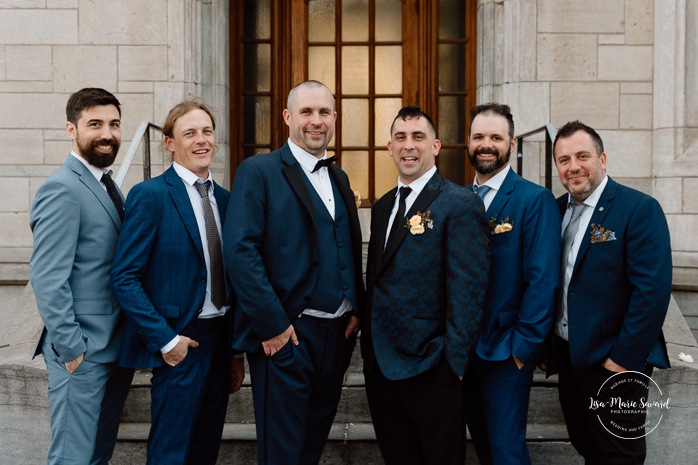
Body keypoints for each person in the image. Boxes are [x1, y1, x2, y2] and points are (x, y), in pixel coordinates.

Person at [222, 80, 365, 465]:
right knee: (283, 453)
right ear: (287, 117)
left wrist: (356, 307)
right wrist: (271, 326)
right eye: (307, 112)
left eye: (324, 113)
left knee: (312, 447)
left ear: (334, 118)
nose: (316, 121)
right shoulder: (258, 171)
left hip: (336, 337)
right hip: (287, 336)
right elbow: (240, 251)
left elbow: (346, 245)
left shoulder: (340, 178)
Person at [109, 100, 244, 465]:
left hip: (220, 341)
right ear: (170, 142)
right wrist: (166, 340)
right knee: (171, 452)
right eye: (189, 133)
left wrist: (234, 352)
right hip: (179, 340)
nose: (201, 141)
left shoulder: (228, 201)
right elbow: (124, 277)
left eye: (207, 132)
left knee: (205, 449)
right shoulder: (151, 195)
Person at [362, 106, 490, 465]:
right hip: (383, 367)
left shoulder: (460, 203)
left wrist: (455, 365)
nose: (408, 146)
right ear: (389, 147)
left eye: (418, 137)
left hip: (433, 367)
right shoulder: (384, 205)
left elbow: (469, 289)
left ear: (435, 146)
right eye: (400, 138)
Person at [549, 120, 672, 465]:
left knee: (620, 456)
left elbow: (652, 292)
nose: (573, 166)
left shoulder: (638, 209)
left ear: (603, 159)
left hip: (615, 362)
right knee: (586, 443)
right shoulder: (556, 209)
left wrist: (620, 363)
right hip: (571, 360)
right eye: (563, 159)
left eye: (582, 156)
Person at [29, 87, 134, 465]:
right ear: (71, 130)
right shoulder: (62, 188)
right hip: (82, 352)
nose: (107, 133)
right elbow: (47, 277)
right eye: (95, 124)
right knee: (72, 458)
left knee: (96, 457)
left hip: (114, 346)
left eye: (114, 124)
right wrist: (72, 347)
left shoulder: (106, 183)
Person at [463, 103, 561, 465]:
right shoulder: (459, 199)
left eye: (495, 137)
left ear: (513, 144)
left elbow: (543, 279)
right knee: (486, 449)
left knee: (507, 452)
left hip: (506, 351)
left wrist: (523, 349)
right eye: (478, 137)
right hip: (463, 352)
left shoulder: (534, 200)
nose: (486, 144)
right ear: (468, 143)